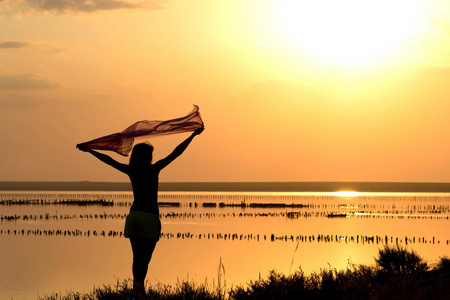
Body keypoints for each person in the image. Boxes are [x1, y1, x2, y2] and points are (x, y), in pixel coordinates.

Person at [77, 126, 204, 298]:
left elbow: (108, 160)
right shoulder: (154, 169)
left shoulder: (131, 170)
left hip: (134, 217)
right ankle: (140, 291)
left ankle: (137, 289)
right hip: (149, 218)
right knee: (146, 258)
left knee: (137, 257)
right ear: (148, 157)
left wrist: (90, 151)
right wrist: (193, 136)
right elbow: (176, 153)